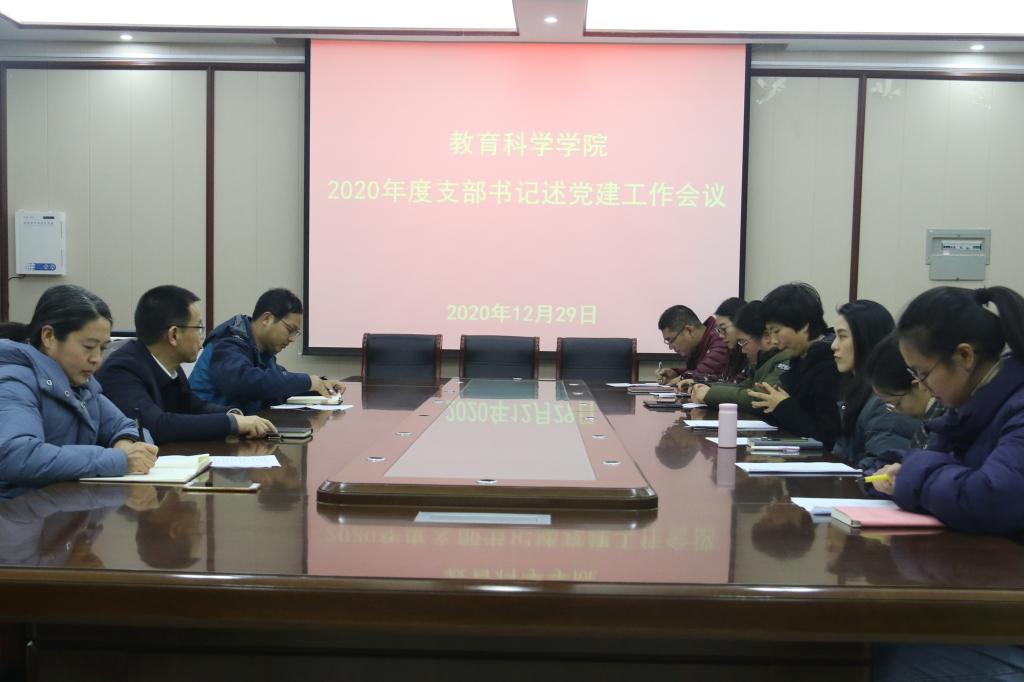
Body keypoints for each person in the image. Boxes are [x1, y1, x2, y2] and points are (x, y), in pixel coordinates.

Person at [871, 286, 1024, 537]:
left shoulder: (1017, 409)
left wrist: (911, 474)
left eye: (923, 373)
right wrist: (894, 466)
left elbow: (989, 499)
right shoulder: (972, 406)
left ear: (964, 356)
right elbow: (947, 464)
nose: (922, 385)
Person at [0, 285, 157, 495]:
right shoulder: (14, 381)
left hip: (65, 504)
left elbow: (127, 426)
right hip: (18, 509)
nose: (96, 359)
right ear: (48, 336)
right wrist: (117, 459)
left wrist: (126, 445)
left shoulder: (82, 384)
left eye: (102, 348)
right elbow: (17, 456)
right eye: (88, 346)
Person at [96, 285, 277, 444]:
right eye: (199, 328)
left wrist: (233, 414)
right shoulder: (122, 370)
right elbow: (156, 426)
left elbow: (194, 407)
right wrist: (232, 424)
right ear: (174, 335)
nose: (202, 337)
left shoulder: (170, 366)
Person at [189, 288, 344, 414]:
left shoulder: (262, 349)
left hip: (239, 427)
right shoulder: (229, 341)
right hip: (208, 433)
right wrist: (307, 382)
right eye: (290, 329)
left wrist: (318, 385)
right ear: (267, 319)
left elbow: (276, 384)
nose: (292, 339)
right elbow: (243, 381)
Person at [748, 282, 842, 450]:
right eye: (769, 333)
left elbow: (826, 438)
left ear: (804, 326)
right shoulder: (799, 358)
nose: (774, 341)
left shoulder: (829, 364)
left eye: (776, 331)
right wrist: (771, 401)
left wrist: (783, 406)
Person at [830, 301, 920, 469]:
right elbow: (841, 453)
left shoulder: (887, 399)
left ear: (866, 339)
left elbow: (882, 466)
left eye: (842, 336)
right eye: (835, 336)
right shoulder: (853, 389)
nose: (833, 346)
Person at [689, 301, 790, 413]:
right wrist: (706, 387)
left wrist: (709, 393)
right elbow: (742, 387)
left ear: (766, 337)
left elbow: (758, 397)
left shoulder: (784, 359)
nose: (742, 349)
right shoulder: (763, 360)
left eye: (743, 341)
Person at [864, 334, 945, 449]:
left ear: (918, 384)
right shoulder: (929, 423)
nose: (897, 412)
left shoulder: (943, 426)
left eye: (897, 404)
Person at [654, 304, 729, 386]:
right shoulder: (698, 345)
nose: (670, 347)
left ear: (689, 330)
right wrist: (676, 373)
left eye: (671, 340)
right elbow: (698, 371)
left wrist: (682, 377)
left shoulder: (720, 337)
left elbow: (706, 373)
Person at [714, 296, 749, 383]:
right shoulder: (734, 351)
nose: (721, 335)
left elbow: (738, 385)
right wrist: (696, 380)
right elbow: (725, 380)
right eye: (718, 330)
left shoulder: (751, 351)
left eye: (723, 328)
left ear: (740, 323)